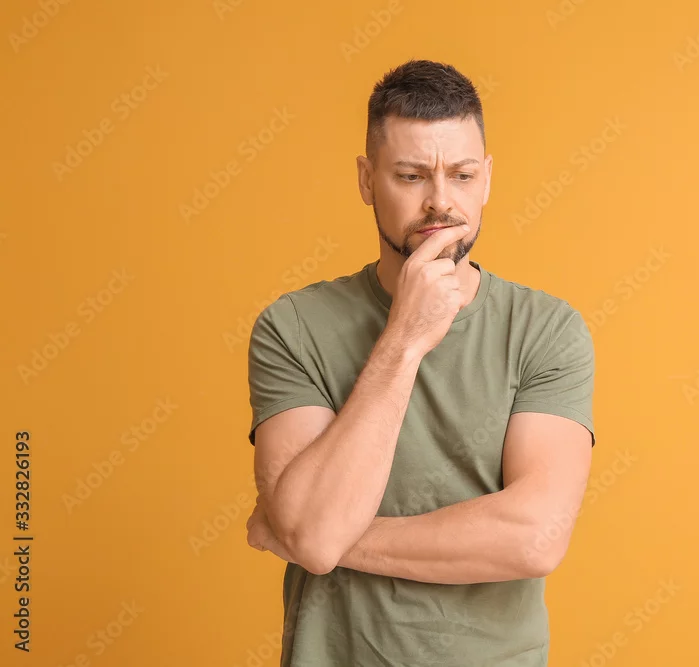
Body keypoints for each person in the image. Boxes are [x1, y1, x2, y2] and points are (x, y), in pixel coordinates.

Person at [243, 58, 596, 667]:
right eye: (410, 176)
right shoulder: (293, 327)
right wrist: (404, 338)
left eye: (462, 175)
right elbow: (312, 533)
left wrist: (324, 539)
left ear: (487, 179)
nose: (441, 202)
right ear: (367, 180)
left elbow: (534, 538)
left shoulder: (547, 330)